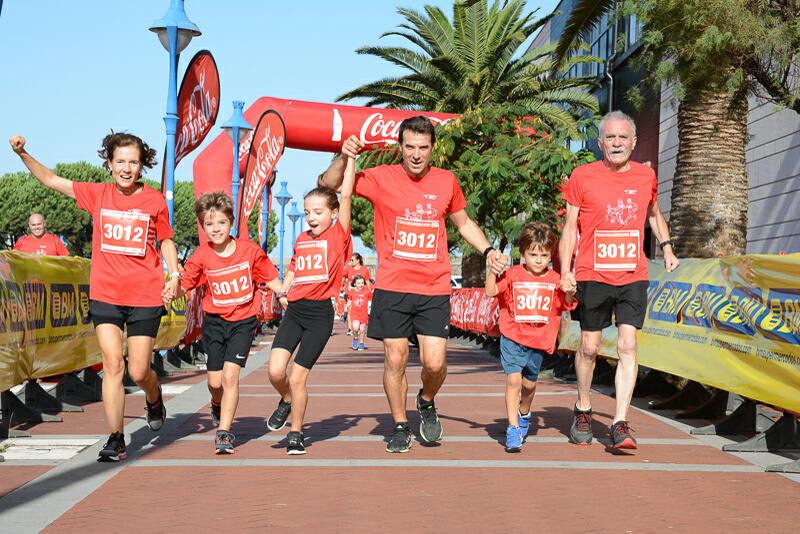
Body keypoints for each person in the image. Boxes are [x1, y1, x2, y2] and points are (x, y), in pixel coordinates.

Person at [319, 116, 507, 453]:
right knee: (396, 358)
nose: (416, 154)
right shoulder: (381, 178)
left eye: (423, 147)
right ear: (400, 148)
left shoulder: (447, 181)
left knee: (435, 363)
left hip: (433, 286)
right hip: (393, 285)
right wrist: (344, 155)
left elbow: (463, 224)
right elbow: (331, 185)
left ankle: (426, 399)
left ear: (433, 148)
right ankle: (401, 425)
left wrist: (489, 250)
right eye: (410, 147)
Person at [10, 132, 181, 462]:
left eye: (133, 162)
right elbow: (49, 179)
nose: (127, 168)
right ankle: (116, 438)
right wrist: (23, 154)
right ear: (109, 164)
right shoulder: (96, 194)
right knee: (113, 365)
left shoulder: (153, 200)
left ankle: (153, 395)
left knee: (139, 371)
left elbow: (166, 241)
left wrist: (173, 275)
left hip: (145, 295)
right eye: (121, 162)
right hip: (105, 294)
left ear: (142, 164)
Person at [558, 111, 680, 450]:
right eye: (610, 138)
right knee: (590, 347)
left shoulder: (645, 177)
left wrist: (667, 248)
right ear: (600, 143)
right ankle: (583, 408)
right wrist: (565, 270)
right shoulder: (582, 176)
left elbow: (654, 215)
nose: (616, 143)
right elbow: (569, 228)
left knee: (628, 345)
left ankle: (620, 422)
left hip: (632, 274)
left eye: (622, 138)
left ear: (634, 142)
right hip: (592, 274)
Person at [162, 191, 284, 454]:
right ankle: (216, 404)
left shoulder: (249, 251)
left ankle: (224, 433)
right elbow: (186, 283)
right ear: (203, 226)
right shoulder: (202, 255)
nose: (215, 229)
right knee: (215, 383)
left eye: (221, 223)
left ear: (231, 224)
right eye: (209, 224)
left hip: (242, 321)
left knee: (230, 377)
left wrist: (285, 293)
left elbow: (271, 279)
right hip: (215, 322)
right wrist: (174, 290)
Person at [266, 156, 356, 455]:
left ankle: (296, 432)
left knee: (298, 376)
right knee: (276, 372)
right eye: (307, 213)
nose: (312, 218)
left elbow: (347, 196)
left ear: (332, 213)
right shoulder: (302, 239)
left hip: (319, 314)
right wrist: (284, 289)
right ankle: (287, 399)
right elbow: (293, 268)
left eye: (318, 212)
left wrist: (351, 159)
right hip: (295, 311)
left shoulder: (338, 236)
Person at [485, 222, 576, 452]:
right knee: (514, 380)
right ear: (523, 253)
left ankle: (524, 412)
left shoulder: (555, 279)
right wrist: (492, 271)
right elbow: (490, 291)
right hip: (512, 336)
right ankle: (513, 428)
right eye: (532, 254)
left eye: (544, 255)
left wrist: (570, 290)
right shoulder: (513, 274)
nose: (538, 259)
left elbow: (567, 305)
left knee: (529, 384)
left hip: (539, 341)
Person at [347, 274, 372, 351]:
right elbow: (349, 301)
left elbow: (370, 301)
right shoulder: (352, 292)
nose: (361, 285)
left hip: (363, 314)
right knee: (355, 327)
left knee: (362, 330)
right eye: (359, 283)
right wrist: (348, 306)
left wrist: (370, 310)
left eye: (362, 283)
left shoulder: (367, 292)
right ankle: (355, 338)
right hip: (355, 314)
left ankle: (361, 343)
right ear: (355, 284)